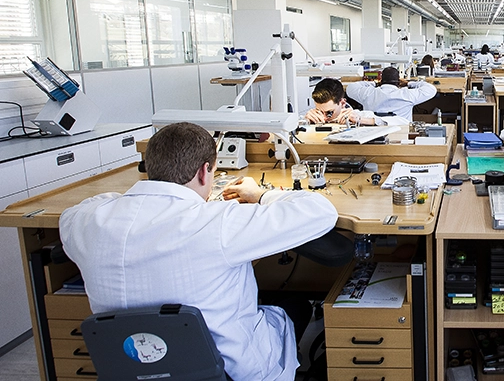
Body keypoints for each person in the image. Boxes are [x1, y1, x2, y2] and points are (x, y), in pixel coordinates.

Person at [60, 122, 340, 381]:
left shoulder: (87, 222)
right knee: (295, 307)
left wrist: (131, 201)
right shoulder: (217, 223)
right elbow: (320, 212)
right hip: (229, 371)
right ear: (205, 171)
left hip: (129, 366)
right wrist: (260, 195)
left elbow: (76, 211)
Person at [346, 66, 437, 122]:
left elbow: (350, 88)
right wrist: (409, 83)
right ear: (399, 82)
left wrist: (374, 83)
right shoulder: (407, 95)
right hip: (402, 134)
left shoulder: (368, 93)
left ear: (381, 80)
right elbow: (431, 89)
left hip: (373, 135)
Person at [305, 77, 378, 126]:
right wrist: (306, 121)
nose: (324, 118)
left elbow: (384, 122)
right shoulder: (314, 117)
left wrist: (360, 120)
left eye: (329, 113)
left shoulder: (359, 115)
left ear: (342, 103)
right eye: (319, 111)